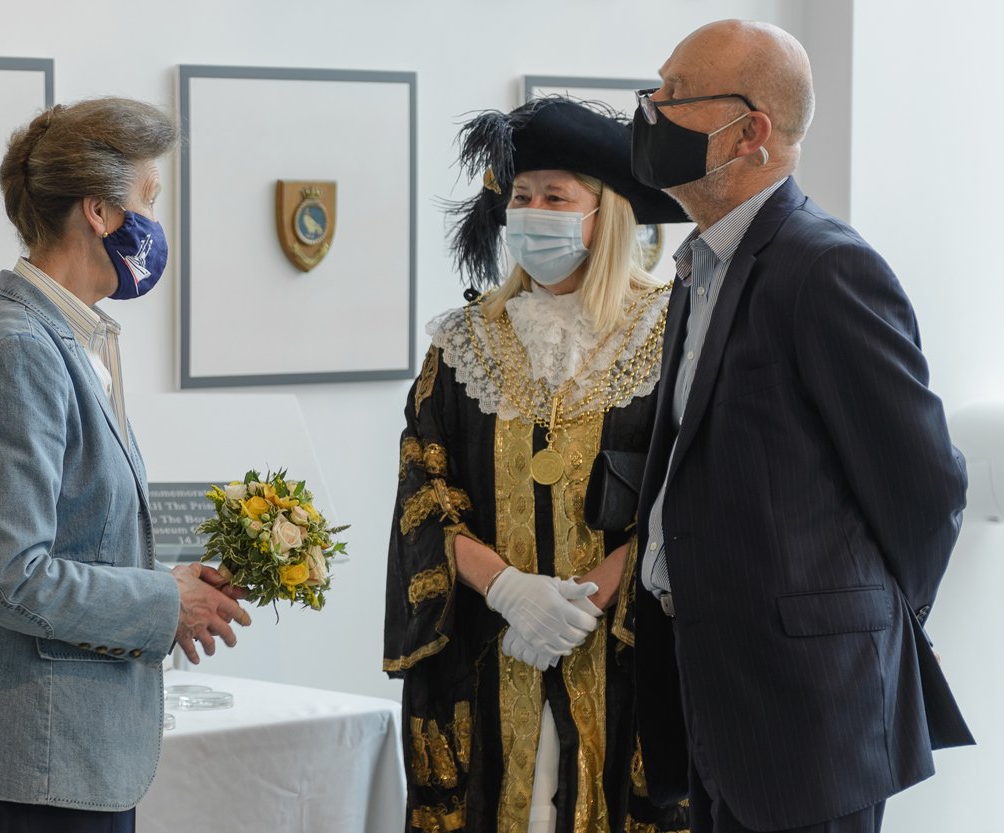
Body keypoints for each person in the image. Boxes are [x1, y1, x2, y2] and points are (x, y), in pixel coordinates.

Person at [628, 20, 973, 833]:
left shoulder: (826, 268)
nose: (649, 112)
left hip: (810, 710)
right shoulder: (696, 270)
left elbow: (927, 489)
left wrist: (852, 623)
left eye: (675, 96)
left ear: (751, 132)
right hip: (713, 690)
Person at [0, 97, 250, 833]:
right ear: (99, 211)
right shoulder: (21, 349)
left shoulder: (66, 338)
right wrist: (163, 603)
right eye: (148, 200)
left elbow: (73, 543)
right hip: (40, 759)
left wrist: (176, 590)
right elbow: (12, 575)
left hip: (65, 758)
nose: (156, 223)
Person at [385, 97, 690, 833]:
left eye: (557, 196)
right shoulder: (463, 344)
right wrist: (510, 589)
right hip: (493, 653)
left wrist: (585, 598)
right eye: (521, 197)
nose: (534, 212)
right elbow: (422, 490)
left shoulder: (672, 330)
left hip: (623, 656)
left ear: (605, 214)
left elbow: (688, 491)